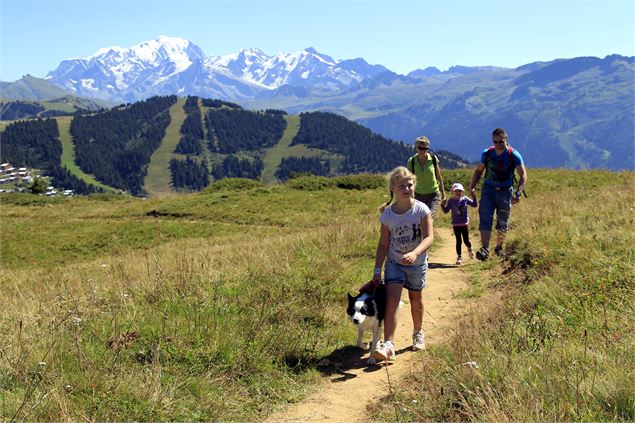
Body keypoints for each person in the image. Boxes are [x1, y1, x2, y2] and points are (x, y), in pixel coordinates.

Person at [362, 166, 434, 362]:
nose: (406, 188)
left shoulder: (421, 209)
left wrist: (415, 253)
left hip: (417, 263)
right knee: (392, 300)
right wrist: (377, 270)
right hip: (394, 262)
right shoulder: (387, 214)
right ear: (392, 188)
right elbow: (383, 244)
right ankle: (389, 346)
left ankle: (418, 333)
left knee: (415, 297)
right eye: (401, 185)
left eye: (409, 185)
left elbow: (429, 238)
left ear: (414, 186)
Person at [469, 128, 527, 260]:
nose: (498, 144)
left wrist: (518, 193)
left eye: (501, 141)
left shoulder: (514, 155)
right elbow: (479, 171)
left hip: (506, 191)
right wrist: (472, 186)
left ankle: (499, 247)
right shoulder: (487, 153)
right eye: (495, 142)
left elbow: (523, 175)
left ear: (506, 139)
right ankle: (484, 249)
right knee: (485, 219)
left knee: (503, 221)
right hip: (488, 190)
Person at [407, 136, 446, 218]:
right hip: (417, 196)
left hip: (433, 194)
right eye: (421, 148)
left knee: (428, 217)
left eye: (426, 148)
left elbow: (439, 177)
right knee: (419, 219)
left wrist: (443, 194)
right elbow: (409, 180)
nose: (423, 150)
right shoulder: (412, 161)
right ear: (416, 147)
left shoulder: (433, 159)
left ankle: (428, 230)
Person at [440, 182, 477, 265]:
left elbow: (474, 205)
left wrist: (474, 196)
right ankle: (459, 257)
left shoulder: (465, 199)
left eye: (459, 191)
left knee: (466, 240)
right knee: (458, 241)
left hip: (464, 224)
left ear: (462, 192)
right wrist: (442, 205)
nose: (458, 193)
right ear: (453, 192)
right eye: (456, 191)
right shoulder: (451, 201)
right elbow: (446, 211)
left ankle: (470, 248)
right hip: (456, 224)